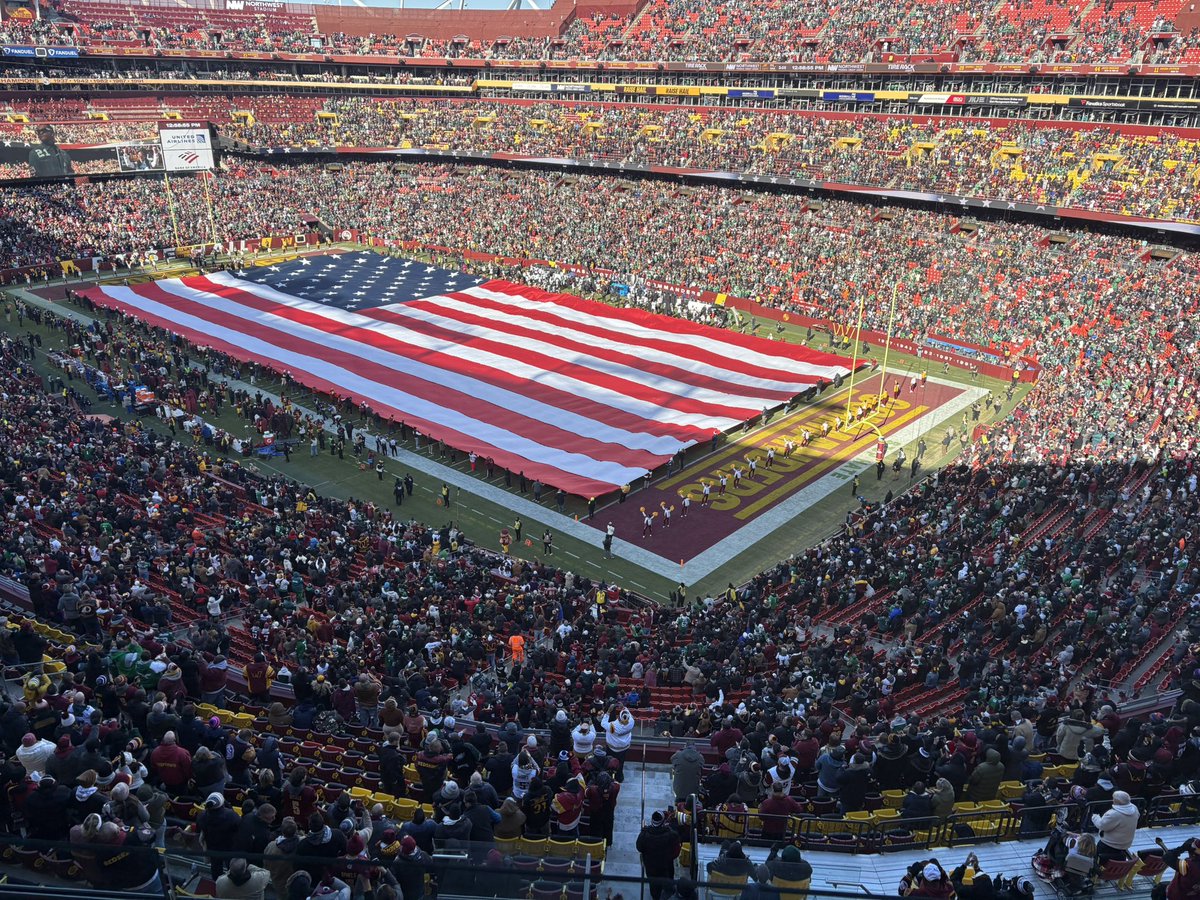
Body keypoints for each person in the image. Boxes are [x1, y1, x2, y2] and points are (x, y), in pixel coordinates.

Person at [636, 810, 681, 900]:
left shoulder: (644, 834)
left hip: (651, 866)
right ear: (663, 821)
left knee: (654, 886)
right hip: (666, 866)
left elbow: (639, 847)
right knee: (668, 887)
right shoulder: (671, 834)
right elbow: (677, 849)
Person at [1091, 790, 1139, 861]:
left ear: (1117, 801)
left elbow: (1101, 825)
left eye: (1113, 799)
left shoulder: (1114, 814)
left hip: (1108, 845)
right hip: (1125, 844)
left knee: (1097, 857)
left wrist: (1094, 817)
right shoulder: (1134, 808)